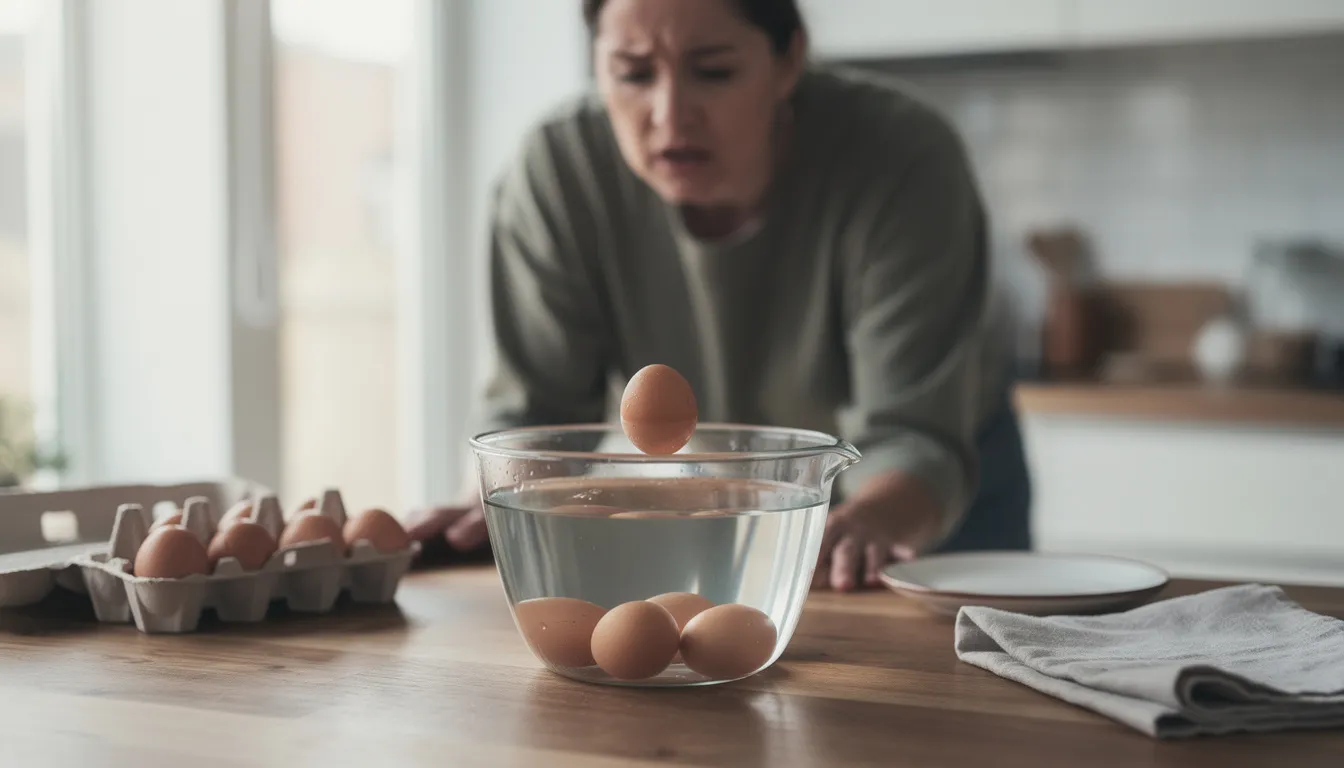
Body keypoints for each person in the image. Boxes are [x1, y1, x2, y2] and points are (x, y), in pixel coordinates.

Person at [406, 0, 1033, 591]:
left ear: (789, 60)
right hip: (729, 493)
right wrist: (484, 504)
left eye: (714, 72)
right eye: (631, 74)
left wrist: (873, 522)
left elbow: (914, 433)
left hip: (921, 499)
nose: (671, 116)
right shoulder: (560, 173)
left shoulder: (902, 157)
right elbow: (531, 419)